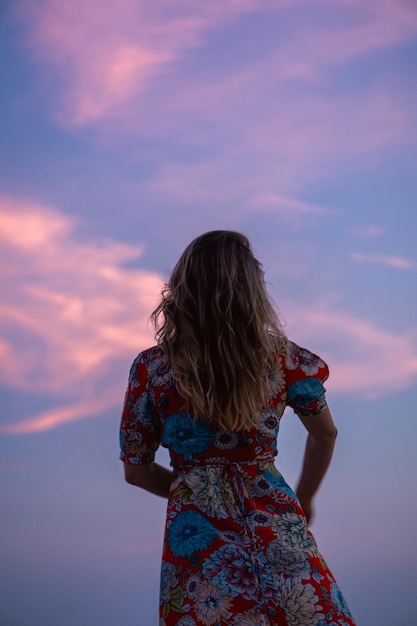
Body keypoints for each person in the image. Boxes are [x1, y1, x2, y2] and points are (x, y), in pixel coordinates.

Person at [119, 230, 356, 626]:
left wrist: (191, 489)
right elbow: (325, 433)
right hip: (276, 520)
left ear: (182, 288)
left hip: (197, 544)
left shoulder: (153, 370)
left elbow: (135, 470)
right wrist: (304, 497)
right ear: (253, 289)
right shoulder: (285, 360)